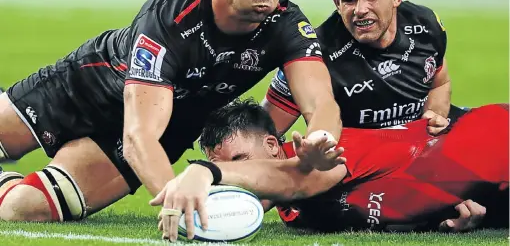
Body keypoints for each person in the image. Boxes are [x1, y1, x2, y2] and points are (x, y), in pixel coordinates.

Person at [0, 0, 342, 234]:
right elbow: (139, 135)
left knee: (25, 209)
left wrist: (321, 138)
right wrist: (172, 197)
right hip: (84, 88)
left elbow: (320, 101)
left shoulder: (287, 25)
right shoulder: (170, 20)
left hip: (168, 128)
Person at [150, 98, 508, 240]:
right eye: (222, 166)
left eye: (241, 161)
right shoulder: (295, 214)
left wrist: (205, 172)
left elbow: (292, 179)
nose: (239, 176)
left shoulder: (325, 152)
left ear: (273, 147)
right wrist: (441, 217)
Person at [263, 0, 458, 160]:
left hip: (418, 154)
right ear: (337, 2)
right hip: (357, 164)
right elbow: (265, 134)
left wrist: (436, 114)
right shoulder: (312, 53)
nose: (360, 10)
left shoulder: (426, 25)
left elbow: (440, 82)